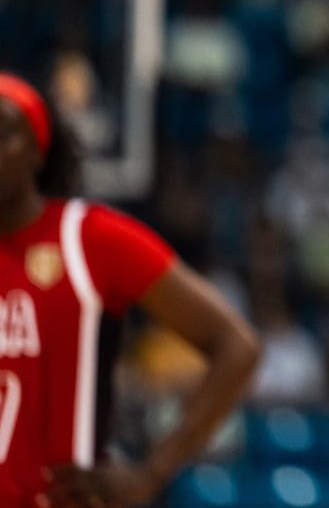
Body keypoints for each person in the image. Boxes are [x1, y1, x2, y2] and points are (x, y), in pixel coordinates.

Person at [0, 72, 261, 507]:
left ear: (36, 151)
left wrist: (151, 471)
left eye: (3, 132)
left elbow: (237, 345)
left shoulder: (88, 238)